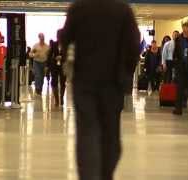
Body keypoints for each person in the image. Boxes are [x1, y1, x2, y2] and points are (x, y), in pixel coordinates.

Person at [61, 0, 140, 179]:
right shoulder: (122, 9)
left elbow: (65, 38)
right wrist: (126, 73)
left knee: (87, 132)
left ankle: (89, 175)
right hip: (113, 83)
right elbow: (134, 45)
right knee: (110, 133)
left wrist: (70, 64)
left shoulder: (79, 7)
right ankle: (105, 174)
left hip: (84, 82)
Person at [48, 31, 67, 106]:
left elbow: (68, 54)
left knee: (63, 82)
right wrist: (48, 65)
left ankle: (61, 98)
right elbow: (49, 55)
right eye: (58, 35)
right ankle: (56, 99)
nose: (59, 37)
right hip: (54, 66)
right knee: (54, 82)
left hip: (63, 65)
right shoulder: (54, 44)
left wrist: (62, 57)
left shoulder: (66, 44)